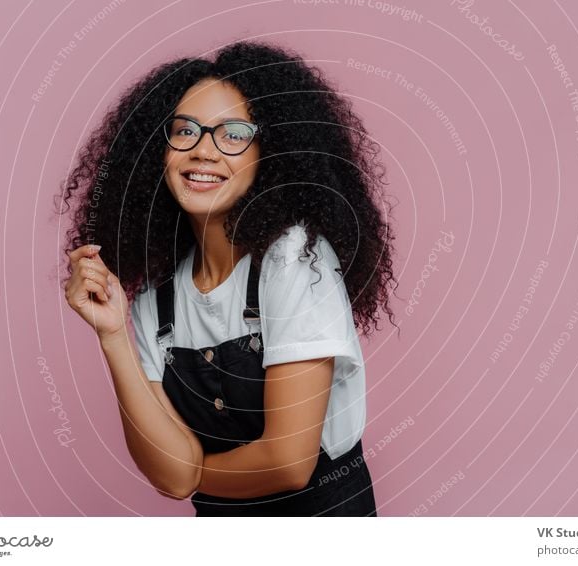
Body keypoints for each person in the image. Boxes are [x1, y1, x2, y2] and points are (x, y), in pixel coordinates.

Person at [58, 40, 398, 516]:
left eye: (233, 134)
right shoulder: (152, 304)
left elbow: (287, 462)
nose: (204, 152)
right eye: (185, 131)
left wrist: (193, 473)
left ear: (269, 151)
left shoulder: (293, 261)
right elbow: (166, 472)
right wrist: (112, 334)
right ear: (160, 151)